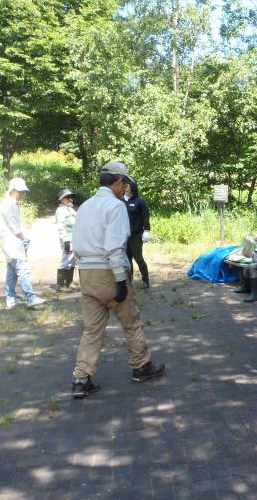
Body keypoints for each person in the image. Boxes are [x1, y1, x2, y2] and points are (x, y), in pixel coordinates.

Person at [70, 162, 165, 399]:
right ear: (118, 182)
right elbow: (114, 247)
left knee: (92, 330)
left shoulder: (85, 207)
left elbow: (77, 243)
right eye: (125, 183)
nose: (126, 188)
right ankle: (141, 366)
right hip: (109, 273)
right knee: (131, 323)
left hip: (86, 274)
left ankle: (81, 379)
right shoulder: (116, 206)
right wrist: (121, 281)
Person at [0, 178, 46, 309]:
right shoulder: (8, 204)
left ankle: (11, 298)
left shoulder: (10, 202)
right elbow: (13, 226)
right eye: (20, 191)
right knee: (23, 270)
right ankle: (30, 298)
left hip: (11, 243)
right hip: (13, 243)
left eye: (24, 192)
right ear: (12, 190)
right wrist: (23, 238)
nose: (23, 194)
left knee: (12, 272)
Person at [124, 179, 151, 288]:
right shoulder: (121, 201)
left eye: (127, 186)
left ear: (132, 188)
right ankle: (129, 281)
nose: (125, 188)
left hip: (136, 234)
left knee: (138, 257)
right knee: (126, 258)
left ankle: (145, 280)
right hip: (124, 235)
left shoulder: (139, 201)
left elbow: (145, 215)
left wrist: (147, 230)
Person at [55, 189, 77, 291]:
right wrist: (66, 241)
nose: (70, 199)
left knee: (72, 260)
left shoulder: (69, 209)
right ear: (62, 199)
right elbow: (61, 226)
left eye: (70, 197)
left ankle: (69, 283)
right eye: (67, 197)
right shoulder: (61, 211)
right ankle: (60, 285)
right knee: (66, 260)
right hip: (67, 239)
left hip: (73, 238)